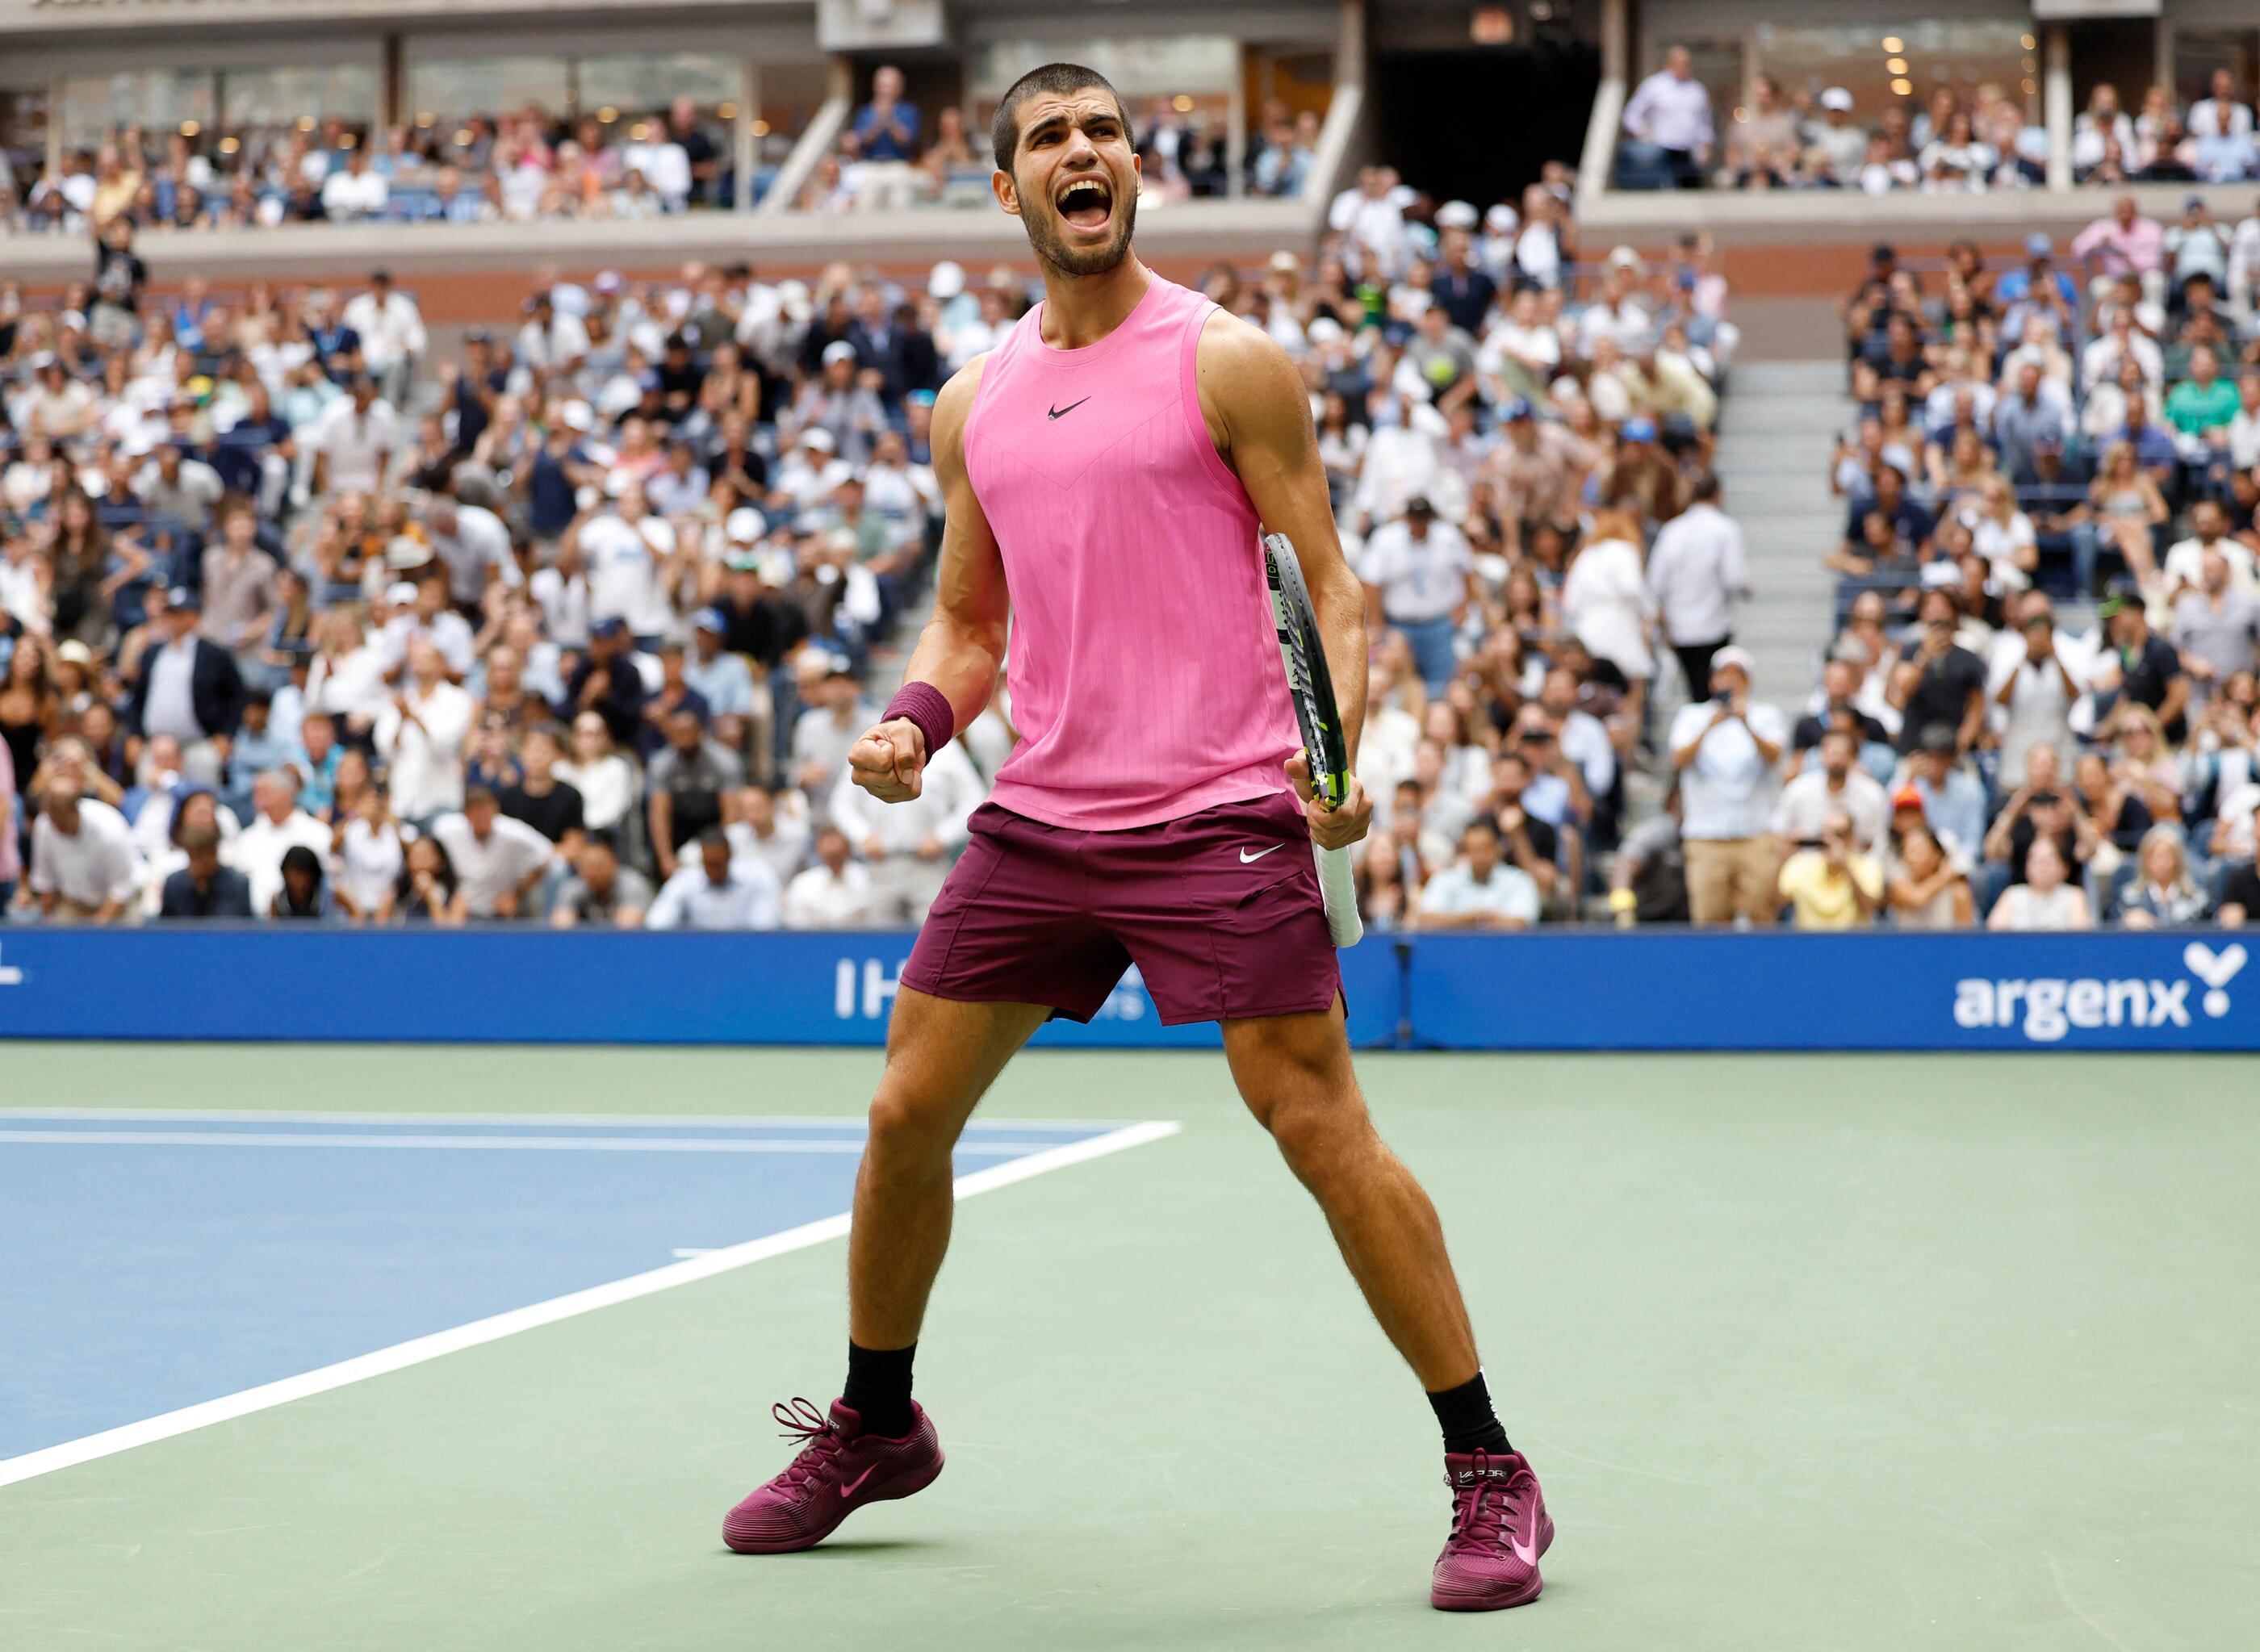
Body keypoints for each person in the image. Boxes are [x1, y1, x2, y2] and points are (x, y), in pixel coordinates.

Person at [722, 63, 1550, 1616]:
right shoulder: (972, 401)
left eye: (1102, 130)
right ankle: (879, 1423)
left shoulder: (1227, 363)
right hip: (1043, 815)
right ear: (1010, 190)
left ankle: (1490, 1464)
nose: (1082, 151)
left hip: (1222, 808)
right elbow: (971, 624)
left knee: (1314, 1122)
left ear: (1132, 171)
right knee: (905, 1111)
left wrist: (1335, 758)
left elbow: (1334, 590)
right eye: (1049, 137)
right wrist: (913, 722)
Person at [1667, 646, 1785, 925]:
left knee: (1762, 916)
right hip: (1706, 835)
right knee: (1708, 919)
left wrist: (1746, 724)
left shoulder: (1766, 715)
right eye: (1724, 674)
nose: (1730, 681)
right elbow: (1679, 759)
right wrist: (1710, 726)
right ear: (1712, 682)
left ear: (1748, 682)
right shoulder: (1692, 716)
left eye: (1737, 675)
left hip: (1755, 833)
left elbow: (1774, 756)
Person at [1643, 471, 1745, 700]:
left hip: (1681, 628)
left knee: (1696, 691)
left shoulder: (1672, 531)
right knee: (1717, 690)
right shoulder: (1726, 530)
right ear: (1718, 495)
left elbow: (1655, 582)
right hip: (1714, 625)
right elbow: (1734, 579)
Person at [1358, 496, 1473, 693]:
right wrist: (1378, 625)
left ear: (1431, 517)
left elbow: (1467, 571)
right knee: (1399, 687)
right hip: (1398, 626)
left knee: (1440, 686)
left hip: (1439, 624)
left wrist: (1463, 608)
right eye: (1415, 517)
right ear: (1406, 517)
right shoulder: (1386, 538)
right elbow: (1370, 583)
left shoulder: (1448, 536)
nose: (1419, 522)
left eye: (1424, 517)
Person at [23, 769, 139, 922]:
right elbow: (46, 882)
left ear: (75, 809)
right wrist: (47, 922)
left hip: (121, 904)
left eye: (62, 821)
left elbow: (122, 888)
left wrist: (96, 929)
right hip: (74, 903)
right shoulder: (44, 825)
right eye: (53, 819)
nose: (57, 827)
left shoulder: (110, 829)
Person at [430, 787, 555, 920]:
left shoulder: (514, 834)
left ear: (495, 811)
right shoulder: (447, 830)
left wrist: (516, 895)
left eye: (487, 813)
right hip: (461, 909)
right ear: (466, 814)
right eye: (477, 814)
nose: (482, 819)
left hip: (500, 912)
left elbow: (545, 856)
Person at [1412, 816, 1540, 930]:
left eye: (1485, 849)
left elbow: (1521, 924)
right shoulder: (1444, 879)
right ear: (1465, 852)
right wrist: (1473, 918)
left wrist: (1464, 922)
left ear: (1497, 848)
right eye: (1473, 850)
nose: (1480, 857)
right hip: (1455, 948)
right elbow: (1427, 921)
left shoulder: (1519, 880)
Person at [232, 769, 332, 915]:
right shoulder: (246, 839)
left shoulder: (318, 833)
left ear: (287, 794)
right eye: (256, 794)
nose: (258, 801)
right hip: (252, 922)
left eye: (265, 793)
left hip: (304, 920)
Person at [647, 826, 781, 930]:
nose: (713, 870)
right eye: (708, 864)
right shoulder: (684, 881)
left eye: (718, 864)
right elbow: (657, 924)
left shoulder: (757, 876)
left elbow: (764, 929)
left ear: (729, 856)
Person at [1775, 808, 1882, 930]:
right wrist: (1781, 859)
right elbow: (1778, 902)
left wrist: (1845, 868)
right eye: (1824, 834)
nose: (1830, 841)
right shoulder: (1800, 863)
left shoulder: (1868, 865)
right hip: (1809, 939)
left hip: (1852, 939)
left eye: (1839, 835)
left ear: (1851, 838)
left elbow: (1869, 909)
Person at [2114, 825, 2212, 929]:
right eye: (2156, 857)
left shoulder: (2197, 899)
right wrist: (2127, 920)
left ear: (2178, 860)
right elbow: (2112, 925)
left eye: (2167, 856)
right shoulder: (2129, 898)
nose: (2161, 863)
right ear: (2145, 861)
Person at [781, 822, 875, 928]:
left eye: (837, 854)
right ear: (819, 849)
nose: (833, 854)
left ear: (847, 849)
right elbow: (795, 925)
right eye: (830, 855)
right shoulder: (802, 884)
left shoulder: (867, 879)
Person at [1987, 834, 2091, 931]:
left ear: (2063, 867)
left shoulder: (2074, 896)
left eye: (2048, 861)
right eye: (2037, 861)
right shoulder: (2012, 894)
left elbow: (2080, 935)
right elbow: (1995, 933)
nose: (2042, 868)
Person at [551, 835, 653, 929]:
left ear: (614, 863)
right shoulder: (573, 888)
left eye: (599, 865)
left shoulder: (632, 884)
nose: (594, 872)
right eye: (588, 866)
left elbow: (629, 928)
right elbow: (562, 928)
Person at [157, 820, 253, 918]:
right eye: (192, 857)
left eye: (200, 857)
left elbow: (231, 923)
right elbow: (166, 925)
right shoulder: (174, 885)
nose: (195, 865)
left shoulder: (237, 884)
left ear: (214, 853)